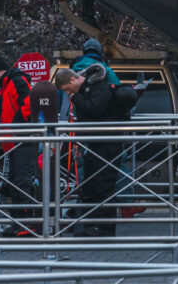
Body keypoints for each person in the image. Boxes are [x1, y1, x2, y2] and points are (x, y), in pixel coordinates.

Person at [57, 65, 137, 236]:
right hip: (95, 143)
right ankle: (91, 225)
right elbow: (83, 119)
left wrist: (76, 98)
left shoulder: (98, 87)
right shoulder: (87, 89)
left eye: (66, 89)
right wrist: (77, 141)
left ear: (72, 80)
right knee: (91, 185)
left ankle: (104, 228)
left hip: (107, 143)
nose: (67, 93)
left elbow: (95, 109)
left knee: (104, 186)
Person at [0, 57, 36, 236]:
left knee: (22, 182)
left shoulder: (17, 82)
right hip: (14, 142)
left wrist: (17, 129)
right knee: (15, 183)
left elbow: (28, 105)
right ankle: (18, 223)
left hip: (21, 141)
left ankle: (28, 224)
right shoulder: (7, 86)